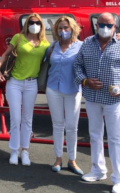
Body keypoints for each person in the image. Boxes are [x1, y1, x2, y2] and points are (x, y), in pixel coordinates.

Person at [74, 13, 120, 193]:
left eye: (109, 25)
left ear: (115, 27)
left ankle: (119, 177)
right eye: (101, 24)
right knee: (94, 134)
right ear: (96, 25)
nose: (105, 28)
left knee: (115, 137)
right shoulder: (87, 43)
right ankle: (98, 169)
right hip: (92, 97)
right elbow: (77, 66)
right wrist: (85, 81)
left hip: (114, 99)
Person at [0, 13, 50, 166]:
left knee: (27, 118)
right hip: (15, 82)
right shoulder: (18, 38)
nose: (34, 25)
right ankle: (14, 150)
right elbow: (5, 55)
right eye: (31, 22)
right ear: (27, 24)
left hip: (32, 83)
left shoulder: (45, 43)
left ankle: (25, 150)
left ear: (41, 25)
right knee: (16, 117)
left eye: (37, 22)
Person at [45, 16, 84, 175]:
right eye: (60, 28)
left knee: (72, 127)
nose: (63, 31)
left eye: (66, 28)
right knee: (57, 124)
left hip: (73, 89)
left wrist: (118, 36)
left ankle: (72, 160)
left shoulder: (81, 46)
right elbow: (44, 60)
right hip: (53, 88)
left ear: (73, 29)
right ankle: (58, 158)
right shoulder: (53, 46)